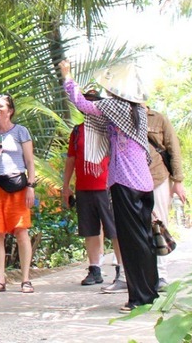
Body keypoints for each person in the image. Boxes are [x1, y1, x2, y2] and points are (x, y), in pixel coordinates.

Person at [59, 59, 158, 313]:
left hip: (125, 182)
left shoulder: (117, 107)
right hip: (143, 182)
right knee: (144, 240)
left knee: (131, 242)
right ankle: (150, 293)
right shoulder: (138, 110)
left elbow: (83, 104)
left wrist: (67, 76)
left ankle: (138, 298)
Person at [0, 94, 37, 294]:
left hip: (17, 187)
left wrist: (31, 186)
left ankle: (25, 279)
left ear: (10, 110)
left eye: (1, 106)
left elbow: (29, 162)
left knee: (21, 231)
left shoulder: (21, 132)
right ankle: (0, 279)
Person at [61, 104, 124, 289]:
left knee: (113, 230)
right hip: (84, 187)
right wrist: (66, 186)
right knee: (90, 230)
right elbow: (71, 159)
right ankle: (94, 268)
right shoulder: (77, 132)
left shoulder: (109, 129)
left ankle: (121, 269)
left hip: (107, 186)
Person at [147, 105, 187, 291]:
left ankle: (161, 274)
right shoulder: (123, 116)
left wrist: (177, 181)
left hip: (158, 177)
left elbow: (173, 149)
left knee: (159, 224)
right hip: (132, 180)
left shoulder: (158, 118)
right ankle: (144, 274)